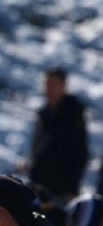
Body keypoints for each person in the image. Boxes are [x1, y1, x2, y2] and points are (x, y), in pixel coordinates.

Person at [25, 67, 90, 209]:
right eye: (47, 85)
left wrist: (71, 188)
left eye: (53, 85)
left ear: (63, 86)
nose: (49, 90)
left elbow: (79, 152)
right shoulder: (44, 113)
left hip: (62, 190)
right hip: (40, 186)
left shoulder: (73, 114)